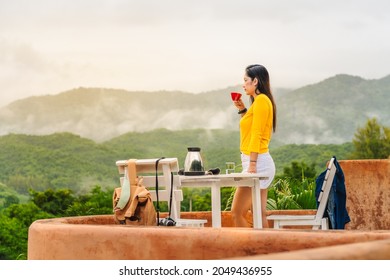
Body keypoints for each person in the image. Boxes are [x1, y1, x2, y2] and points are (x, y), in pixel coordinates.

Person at [231, 64, 277, 228]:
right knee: (259, 214)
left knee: (236, 213)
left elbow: (257, 134)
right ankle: (265, 249)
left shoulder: (262, 101)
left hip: (258, 163)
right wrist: (243, 110)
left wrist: (252, 164)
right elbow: (252, 128)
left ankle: (249, 251)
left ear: (255, 81)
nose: (243, 84)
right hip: (258, 161)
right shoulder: (259, 102)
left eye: (245, 80)